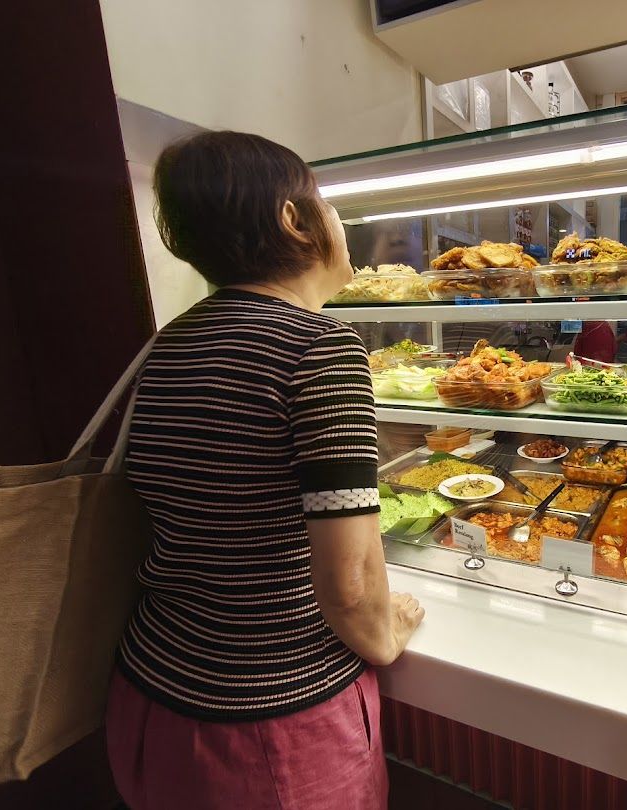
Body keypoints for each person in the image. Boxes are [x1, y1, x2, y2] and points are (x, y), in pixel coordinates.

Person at [105, 131, 424, 810]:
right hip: (269, 727)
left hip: (151, 691)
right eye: (328, 203)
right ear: (291, 218)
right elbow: (348, 582)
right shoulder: (321, 347)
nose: (339, 222)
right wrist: (387, 634)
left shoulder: (165, 344)